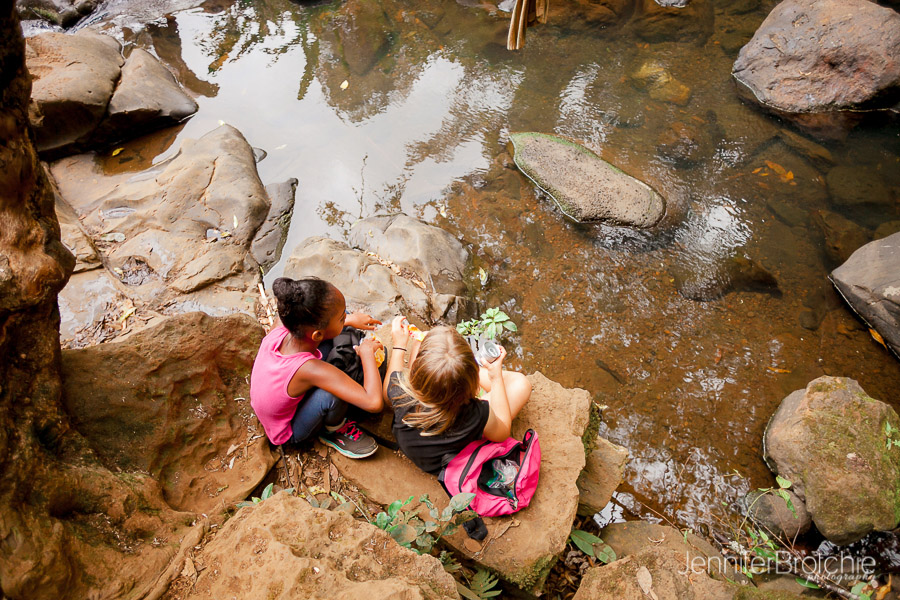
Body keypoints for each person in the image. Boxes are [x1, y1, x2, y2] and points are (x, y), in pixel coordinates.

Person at [383, 317, 532, 537]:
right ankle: (465, 374)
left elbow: (388, 390)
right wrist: (495, 377)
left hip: (422, 456)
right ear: (471, 385)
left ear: (416, 372)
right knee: (521, 384)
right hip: (453, 457)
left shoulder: (399, 390)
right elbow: (501, 433)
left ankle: (447, 371)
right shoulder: (475, 413)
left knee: (442, 369)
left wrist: (400, 345)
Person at [250, 277, 384, 459]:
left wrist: (349, 319)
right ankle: (333, 430)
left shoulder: (286, 319)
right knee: (331, 395)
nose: (345, 318)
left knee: (337, 328)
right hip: (288, 431)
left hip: (279, 393)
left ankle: (336, 325)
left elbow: (318, 328)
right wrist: (366, 353)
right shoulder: (308, 369)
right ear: (317, 334)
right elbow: (373, 402)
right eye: (342, 318)